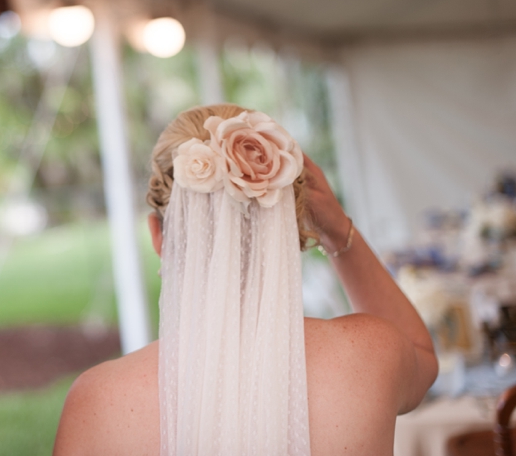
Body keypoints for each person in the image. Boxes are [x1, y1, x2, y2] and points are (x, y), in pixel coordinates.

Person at [53, 104, 438, 456]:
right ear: (294, 221)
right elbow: (423, 352)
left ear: (159, 234)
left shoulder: (97, 403)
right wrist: (338, 230)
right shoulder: (369, 353)